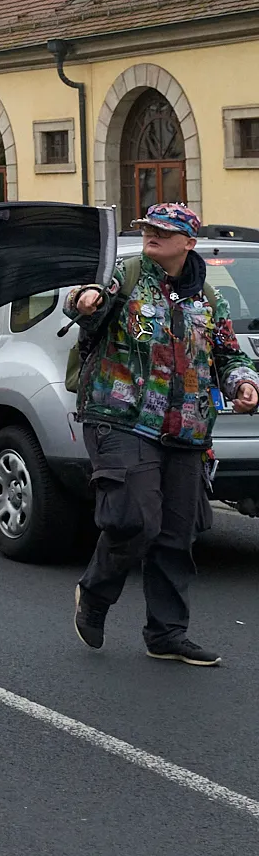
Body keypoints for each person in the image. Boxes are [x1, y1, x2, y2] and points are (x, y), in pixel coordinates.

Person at [67, 203, 259, 665]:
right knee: (135, 519)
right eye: (149, 228)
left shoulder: (209, 300)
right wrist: (84, 301)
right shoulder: (126, 276)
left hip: (187, 429)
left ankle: (167, 634)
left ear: (188, 243)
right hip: (121, 416)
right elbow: (85, 302)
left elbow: (229, 356)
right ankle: (94, 593)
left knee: (177, 534)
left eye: (164, 231)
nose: (152, 235)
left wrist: (244, 384)